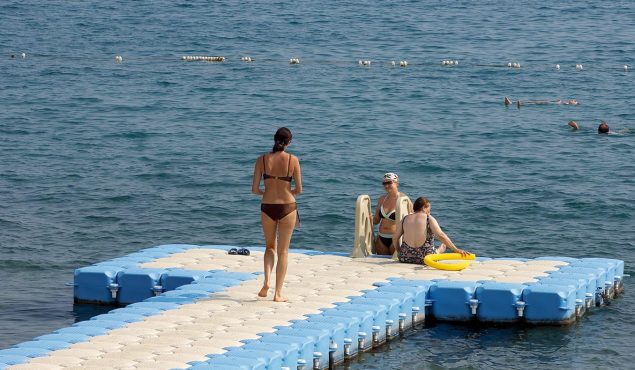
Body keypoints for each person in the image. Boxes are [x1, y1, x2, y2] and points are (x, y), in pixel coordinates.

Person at [251, 127, 302, 302]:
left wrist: (267, 192)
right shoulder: (293, 160)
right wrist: (288, 191)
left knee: (269, 247)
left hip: (267, 206)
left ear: (274, 139)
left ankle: (266, 282)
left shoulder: (261, 160)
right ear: (289, 142)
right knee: (284, 251)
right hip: (288, 206)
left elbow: (255, 189)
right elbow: (299, 189)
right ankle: (278, 293)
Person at [393, 197, 470, 265]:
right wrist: (456, 250)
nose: (429, 212)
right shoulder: (428, 218)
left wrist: (400, 252)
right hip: (426, 258)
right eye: (429, 209)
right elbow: (440, 235)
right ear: (424, 207)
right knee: (442, 246)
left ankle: (438, 250)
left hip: (405, 257)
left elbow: (395, 238)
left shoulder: (405, 219)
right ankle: (439, 250)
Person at [372, 173, 406, 255]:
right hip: (381, 238)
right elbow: (376, 220)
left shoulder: (403, 199)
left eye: (389, 183)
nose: (386, 186)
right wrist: (367, 217)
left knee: (395, 265)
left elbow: (410, 219)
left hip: (396, 239)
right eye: (384, 183)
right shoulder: (382, 199)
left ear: (397, 183)